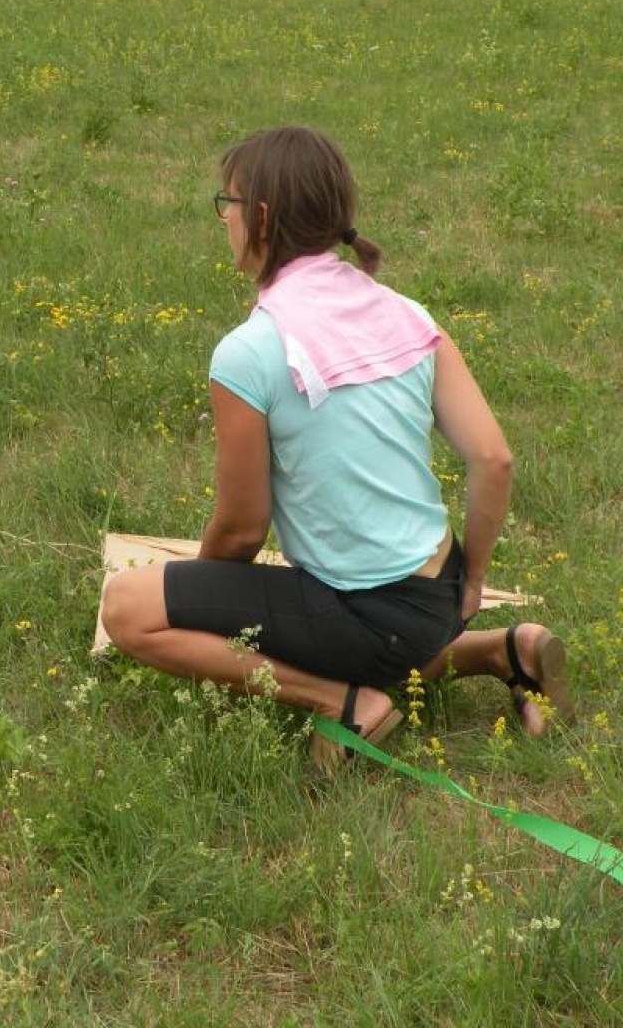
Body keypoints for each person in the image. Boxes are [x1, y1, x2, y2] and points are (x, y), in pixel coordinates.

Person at [98, 126, 574, 771]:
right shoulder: (409, 314)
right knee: (366, 621)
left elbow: (241, 529)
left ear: (261, 218)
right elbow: (494, 459)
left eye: (228, 203)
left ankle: (343, 703)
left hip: (370, 614)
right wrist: (475, 582)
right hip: (443, 595)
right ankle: (503, 649)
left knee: (128, 609)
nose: (224, 219)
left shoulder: (249, 352)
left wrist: (205, 595)